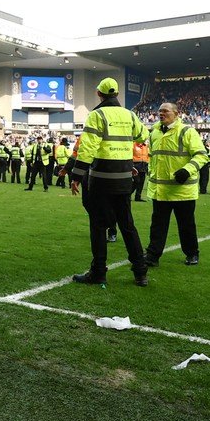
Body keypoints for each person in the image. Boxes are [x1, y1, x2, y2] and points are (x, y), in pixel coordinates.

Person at [68, 79, 149, 287]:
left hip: (101, 179)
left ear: (99, 93)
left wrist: (76, 176)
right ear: (117, 94)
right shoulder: (130, 115)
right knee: (127, 225)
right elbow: (143, 135)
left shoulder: (97, 115)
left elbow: (87, 148)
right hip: (124, 178)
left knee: (98, 226)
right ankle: (140, 272)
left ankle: (98, 272)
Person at [143, 103, 209, 267]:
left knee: (186, 225)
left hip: (182, 190)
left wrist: (187, 170)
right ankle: (152, 255)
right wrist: (150, 172)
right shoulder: (154, 132)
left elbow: (201, 155)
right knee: (157, 226)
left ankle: (192, 253)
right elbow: (152, 156)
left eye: (165, 111)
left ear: (176, 113)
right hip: (160, 190)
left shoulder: (187, 131)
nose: (161, 113)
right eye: (159, 111)